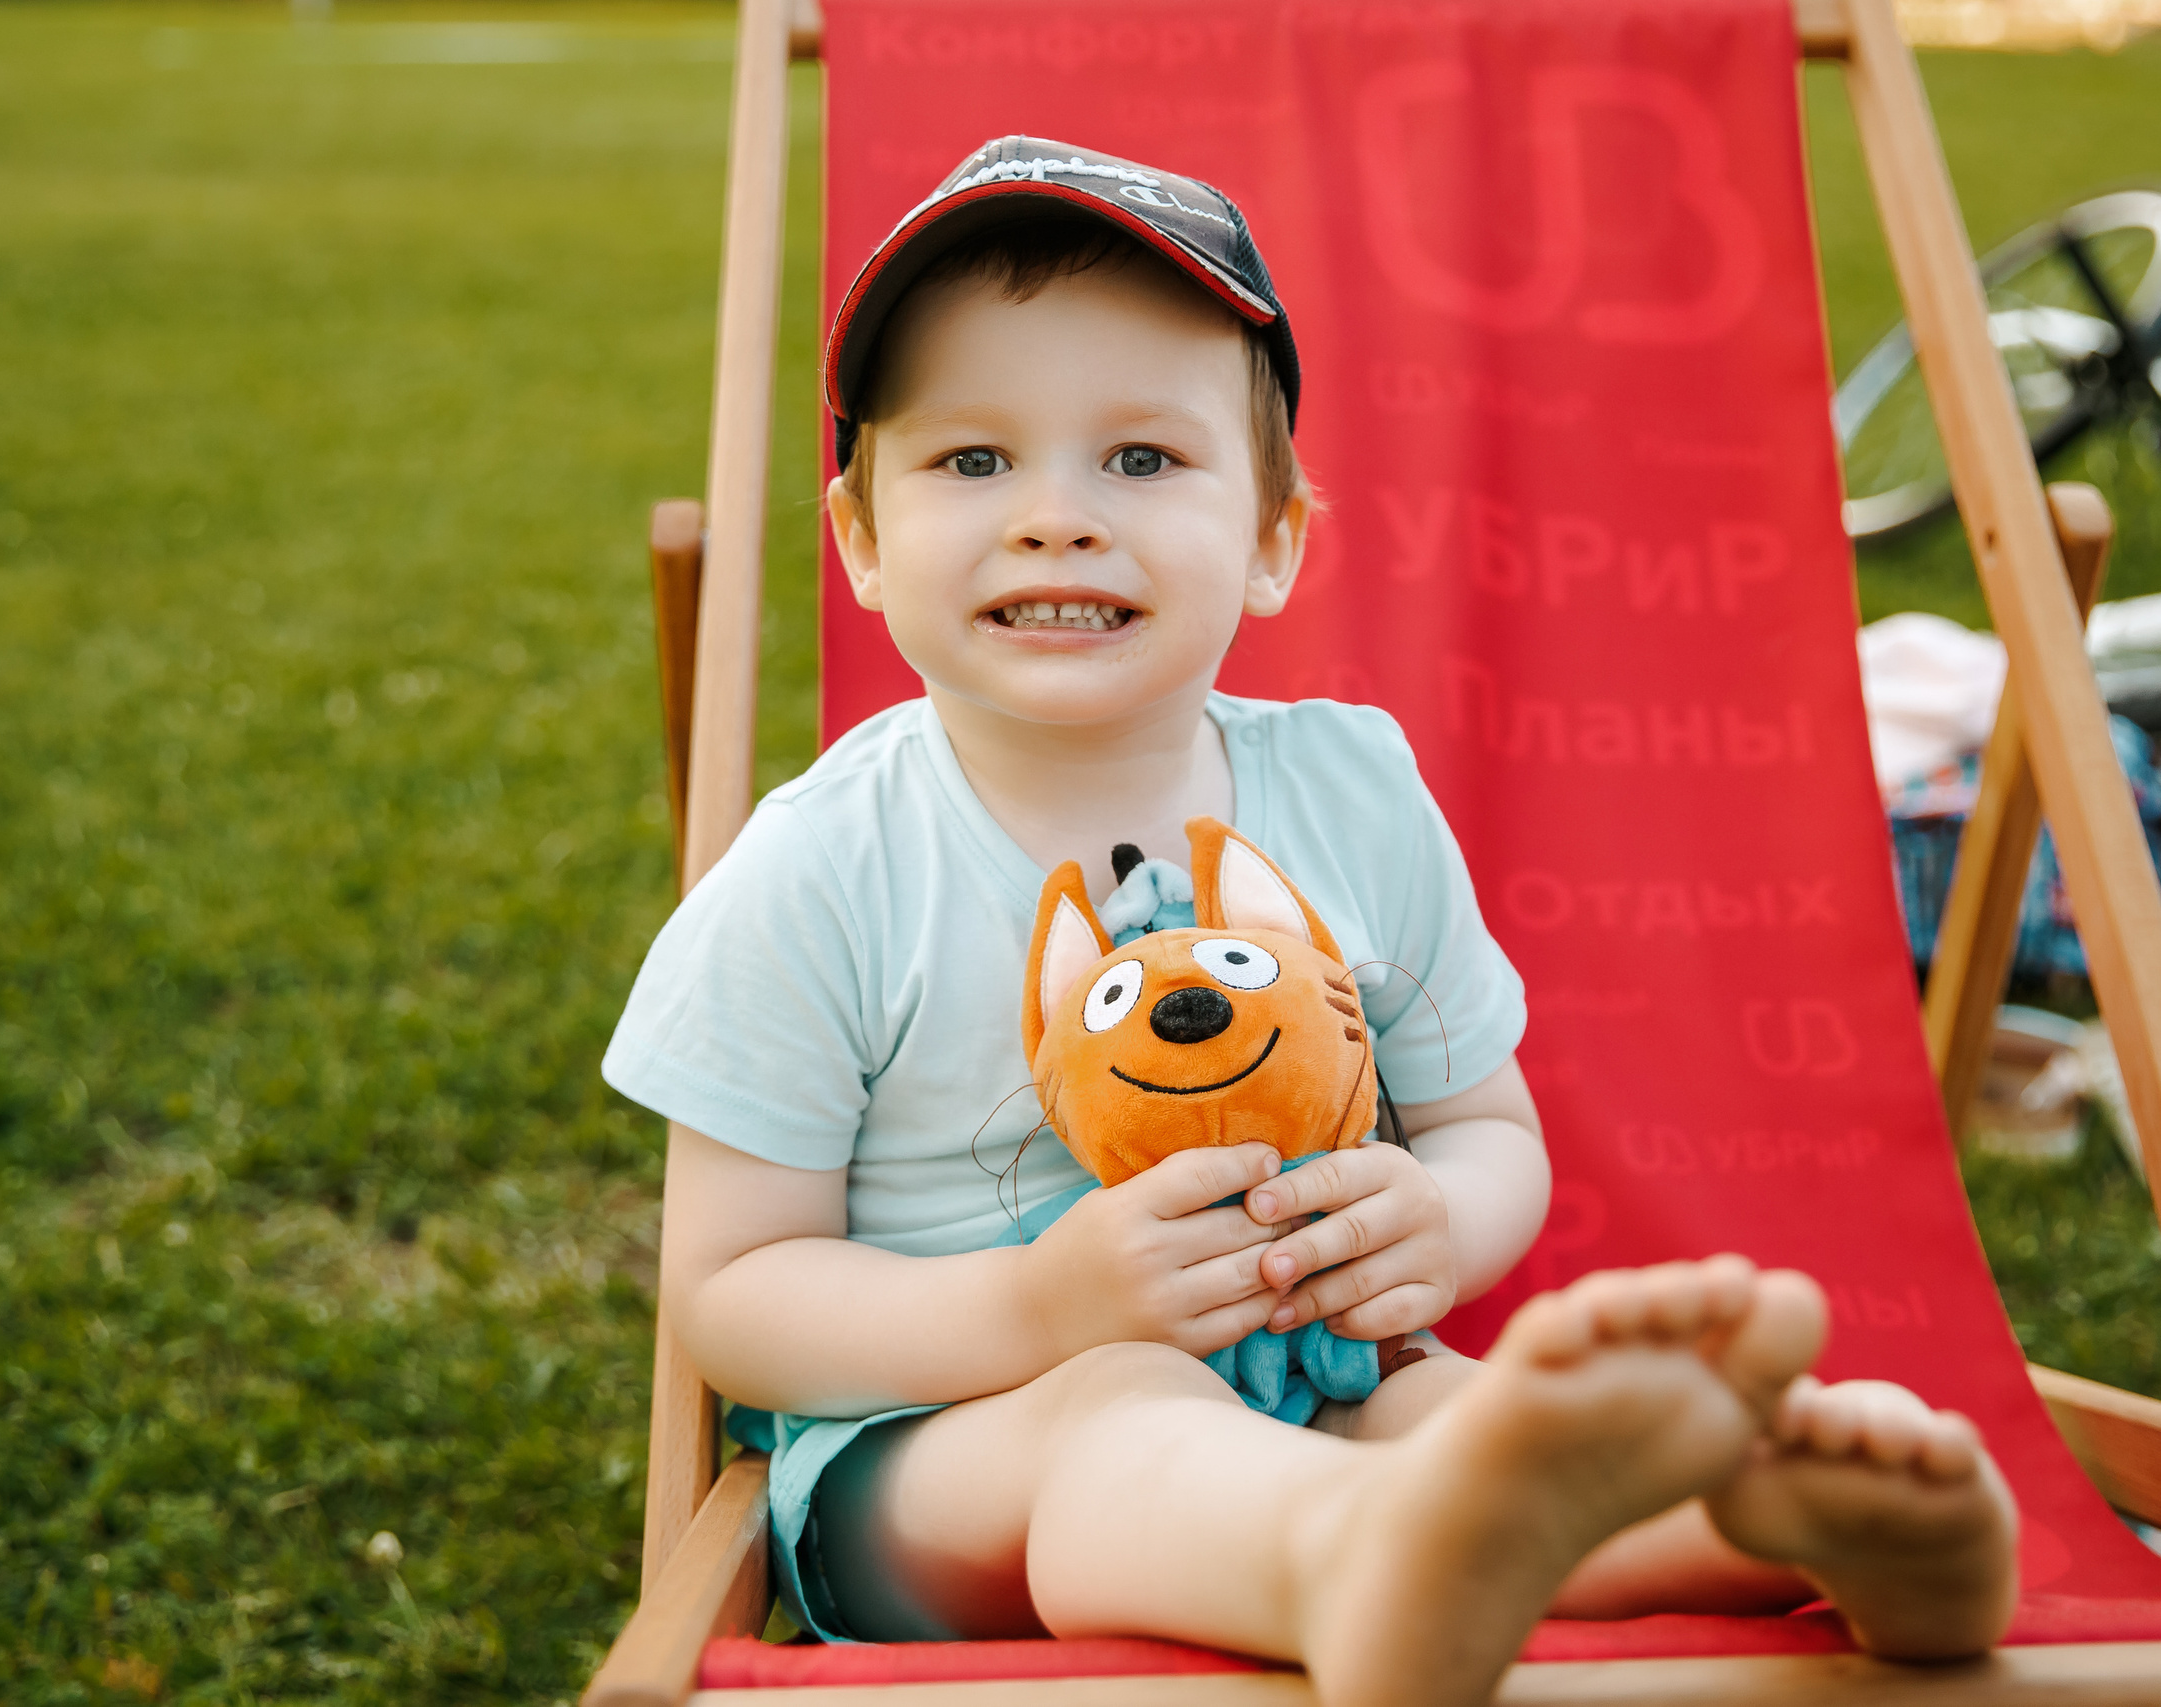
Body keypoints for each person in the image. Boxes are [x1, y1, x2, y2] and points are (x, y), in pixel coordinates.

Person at [604, 137, 2019, 1704]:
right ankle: (1350, 1563)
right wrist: (1034, 1306)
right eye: (974, 460)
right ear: (864, 541)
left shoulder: (1352, 791)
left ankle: (1765, 1524)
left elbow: (1486, 1126)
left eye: (1143, 458)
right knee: (1119, 1411)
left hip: (1326, 1374)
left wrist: (1438, 1221)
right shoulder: (824, 867)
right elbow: (734, 1292)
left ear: (1275, 536)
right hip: (945, 1454)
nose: (1058, 515)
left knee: (1449, 1415)